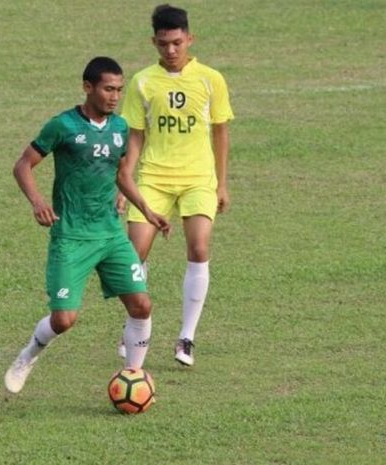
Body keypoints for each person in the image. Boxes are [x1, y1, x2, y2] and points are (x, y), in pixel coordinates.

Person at [4, 57, 170, 394]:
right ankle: (29, 354)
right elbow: (23, 165)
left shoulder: (120, 127)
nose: (114, 96)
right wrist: (38, 203)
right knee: (64, 320)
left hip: (110, 233)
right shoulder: (63, 125)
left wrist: (147, 210)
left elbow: (121, 174)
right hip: (72, 237)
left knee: (142, 305)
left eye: (119, 90)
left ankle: (134, 378)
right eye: (108, 89)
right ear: (88, 87)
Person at [117, 4, 234, 366]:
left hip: (198, 178)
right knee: (134, 255)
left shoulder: (210, 79)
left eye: (177, 43)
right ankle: (134, 324)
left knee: (198, 248)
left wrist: (222, 183)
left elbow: (221, 132)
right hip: (154, 178)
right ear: (154, 42)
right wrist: (125, 183)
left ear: (189, 39)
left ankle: (186, 338)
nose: (171, 50)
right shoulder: (142, 82)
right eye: (164, 44)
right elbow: (135, 136)